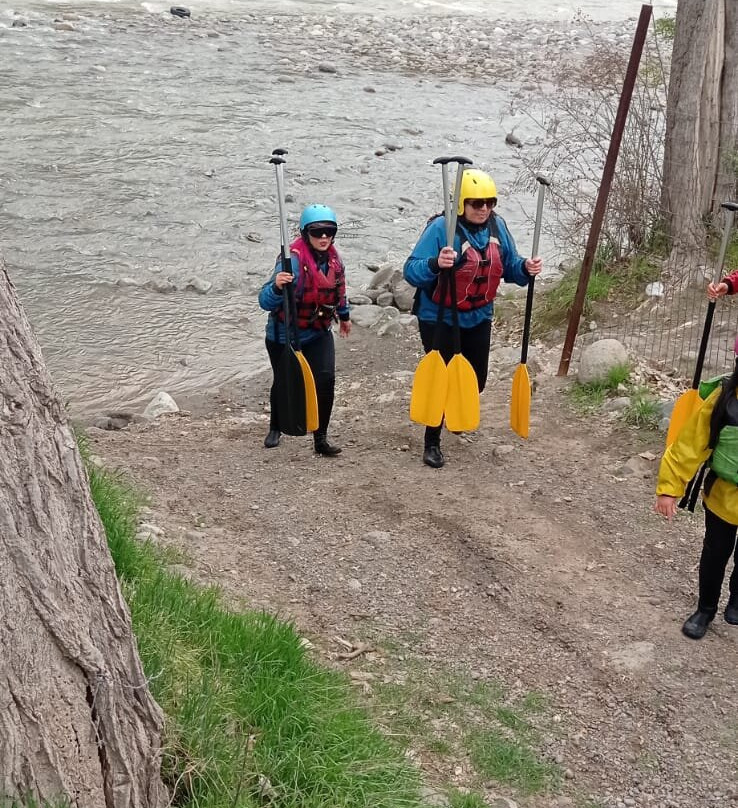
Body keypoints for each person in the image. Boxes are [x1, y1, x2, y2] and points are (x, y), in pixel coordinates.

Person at [403, 168, 542, 468]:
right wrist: (435, 263)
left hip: (478, 315)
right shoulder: (441, 228)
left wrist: (526, 268)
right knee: (442, 379)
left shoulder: (497, 226)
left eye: (490, 202)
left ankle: (456, 412)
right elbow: (411, 270)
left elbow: (510, 266)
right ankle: (432, 442)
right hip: (439, 316)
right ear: (461, 204)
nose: (484, 209)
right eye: (477, 203)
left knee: (475, 380)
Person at [654, 336, 738, 639]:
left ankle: (737, 598)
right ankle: (705, 609)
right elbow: (690, 444)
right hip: (723, 497)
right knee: (715, 554)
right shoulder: (723, 399)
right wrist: (669, 488)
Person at [258, 204, 351, 456]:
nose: (324, 237)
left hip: (318, 332)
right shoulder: (292, 262)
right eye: (317, 231)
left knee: (326, 381)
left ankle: (321, 439)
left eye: (329, 231)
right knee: (284, 380)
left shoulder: (335, 259)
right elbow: (264, 301)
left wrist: (344, 316)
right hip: (284, 334)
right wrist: (277, 287)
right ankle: (275, 426)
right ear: (305, 233)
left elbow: (340, 290)